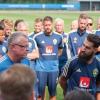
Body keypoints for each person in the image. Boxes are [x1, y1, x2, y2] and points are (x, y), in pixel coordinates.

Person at [59, 34, 100, 99]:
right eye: (83, 45)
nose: (83, 49)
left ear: (95, 50)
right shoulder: (72, 62)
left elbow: (98, 83)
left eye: (87, 48)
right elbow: (62, 80)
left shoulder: (98, 64)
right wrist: (67, 92)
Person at [34, 16, 63, 100]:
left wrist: (53, 58)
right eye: (45, 25)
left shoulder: (59, 37)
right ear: (43, 25)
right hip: (40, 69)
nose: (47, 27)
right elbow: (35, 51)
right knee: (39, 94)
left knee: (53, 93)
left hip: (53, 69)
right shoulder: (37, 37)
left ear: (52, 25)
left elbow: (60, 50)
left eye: (49, 25)